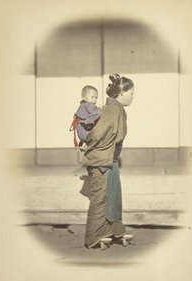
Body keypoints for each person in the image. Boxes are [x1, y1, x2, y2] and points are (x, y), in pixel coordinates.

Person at [81, 73, 134, 249]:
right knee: (100, 198)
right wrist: (100, 153)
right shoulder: (112, 109)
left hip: (109, 159)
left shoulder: (115, 108)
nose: (133, 96)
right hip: (102, 160)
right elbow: (96, 134)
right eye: (131, 92)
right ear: (122, 92)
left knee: (112, 196)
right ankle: (93, 237)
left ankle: (113, 231)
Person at [69, 85, 102, 151]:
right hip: (86, 133)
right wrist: (101, 109)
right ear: (84, 97)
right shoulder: (88, 105)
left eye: (96, 98)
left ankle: (85, 145)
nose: (94, 100)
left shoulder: (82, 105)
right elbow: (97, 113)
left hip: (81, 133)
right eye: (92, 97)